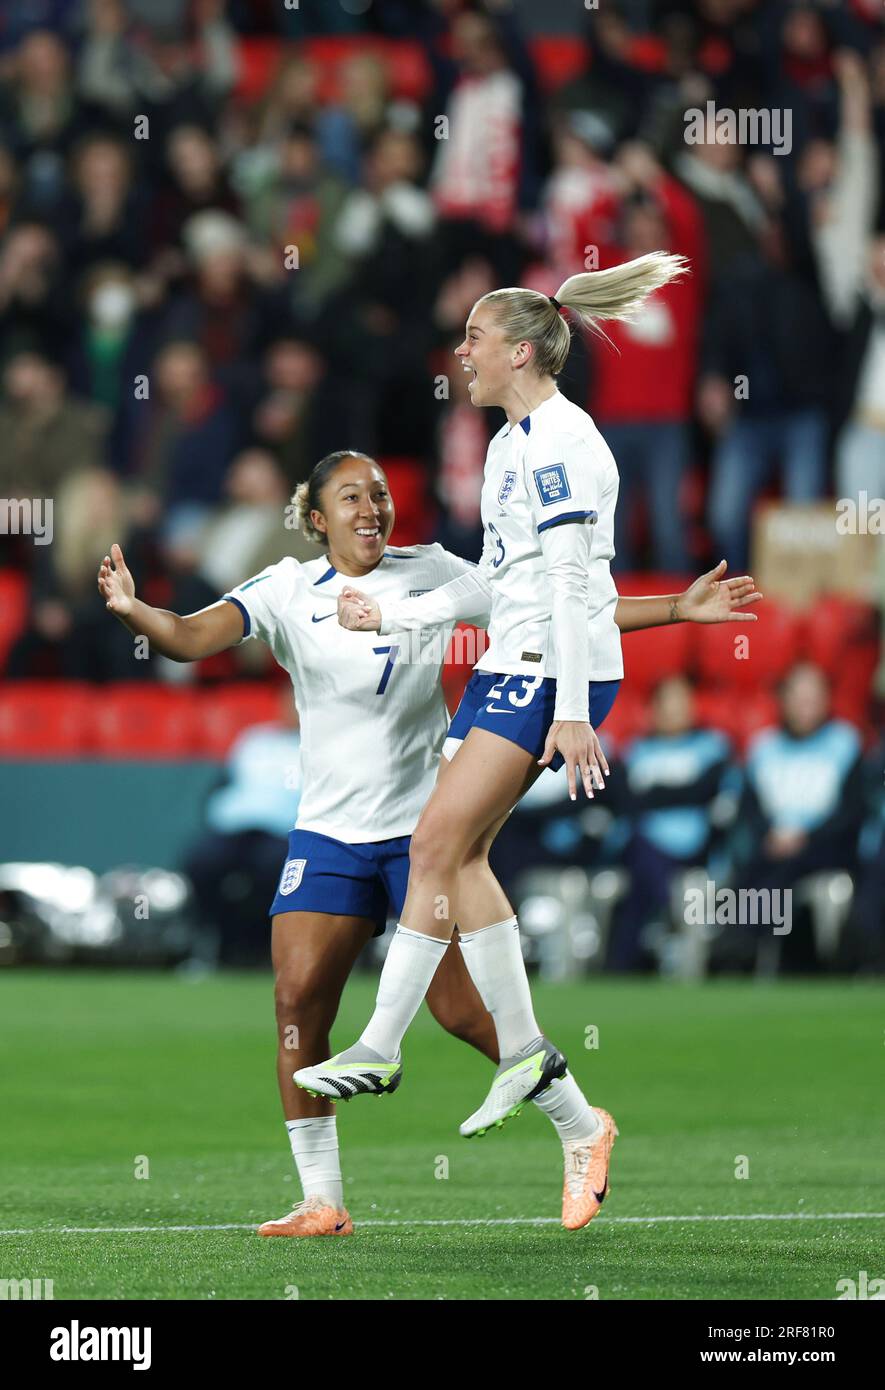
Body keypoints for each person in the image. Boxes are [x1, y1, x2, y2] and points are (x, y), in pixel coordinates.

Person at [97, 446, 759, 1237]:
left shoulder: (435, 571)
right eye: (349, 496)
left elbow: (554, 614)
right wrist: (139, 613)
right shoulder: (284, 586)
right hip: (328, 834)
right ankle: (323, 1199)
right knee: (295, 1006)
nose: (371, 507)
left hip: (422, 832)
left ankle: (583, 1126)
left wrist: (675, 611)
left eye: (378, 493)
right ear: (314, 519)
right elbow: (190, 637)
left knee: (465, 1016)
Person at [294, 251, 695, 1230]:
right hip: (509, 663)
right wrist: (398, 618)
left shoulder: (562, 441)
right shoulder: (516, 442)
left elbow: (569, 590)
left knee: (433, 843)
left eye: (472, 337)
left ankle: (382, 1043)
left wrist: (568, 707)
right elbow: (496, 582)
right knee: (460, 855)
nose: (459, 352)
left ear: (518, 349)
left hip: (545, 673)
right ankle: (541, 1074)